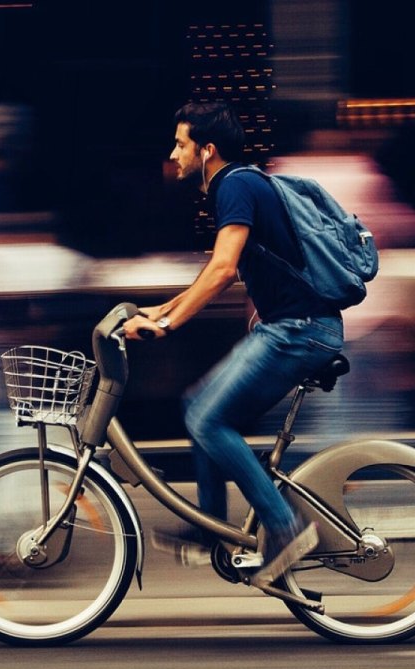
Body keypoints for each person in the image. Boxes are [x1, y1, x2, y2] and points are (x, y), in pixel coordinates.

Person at [123, 102, 345, 585]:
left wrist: (168, 326)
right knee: (197, 403)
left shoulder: (236, 185)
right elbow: (219, 275)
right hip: (289, 327)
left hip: (300, 329)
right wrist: (162, 309)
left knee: (206, 418)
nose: (173, 152)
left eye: (180, 143)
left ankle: (286, 527)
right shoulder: (239, 184)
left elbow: (222, 269)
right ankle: (212, 530)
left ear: (207, 150)